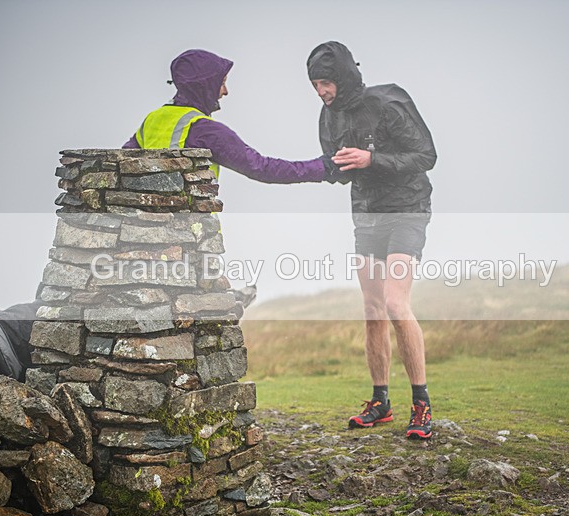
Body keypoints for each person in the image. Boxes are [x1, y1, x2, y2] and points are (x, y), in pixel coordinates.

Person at [307, 41, 437, 439]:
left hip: (406, 208)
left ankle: (422, 403)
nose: (321, 92)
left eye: (326, 82)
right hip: (366, 212)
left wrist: (371, 159)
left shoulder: (389, 102)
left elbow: (426, 156)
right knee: (372, 307)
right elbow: (341, 169)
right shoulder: (327, 118)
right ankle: (380, 401)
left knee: (397, 304)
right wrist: (325, 169)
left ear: (343, 77)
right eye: (314, 84)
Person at [123, 49, 335, 184]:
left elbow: (123, 163)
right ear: (205, 86)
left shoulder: (153, 118)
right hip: (191, 236)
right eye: (222, 83)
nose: (225, 91)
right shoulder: (204, 130)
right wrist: (321, 167)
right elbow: (261, 168)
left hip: (143, 233)